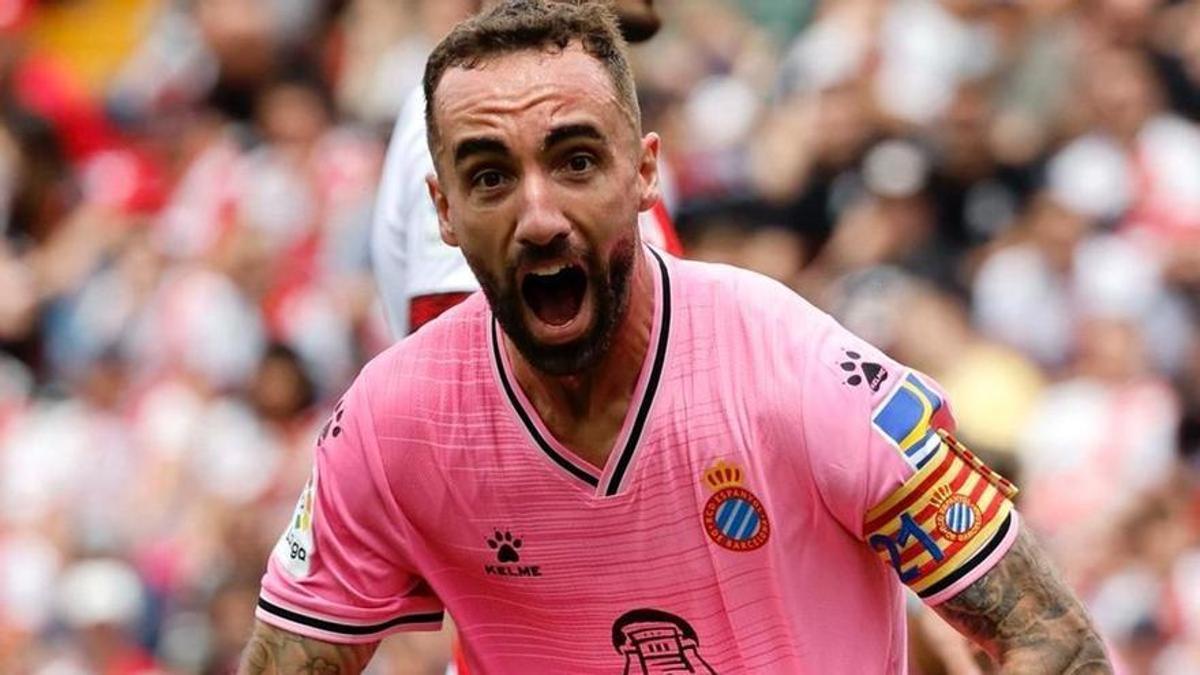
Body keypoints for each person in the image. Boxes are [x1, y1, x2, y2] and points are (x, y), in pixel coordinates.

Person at [241, 1, 1111, 672]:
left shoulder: (801, 369)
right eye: (491, 177)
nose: (538, 216)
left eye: (576, 160)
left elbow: (1059, 644)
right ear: (444, 212)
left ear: (646, 172)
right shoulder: (398, 418)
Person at [371, 0, 680, 338]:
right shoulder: (472, 117)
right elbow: (459, 367)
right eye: (493, 178)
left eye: (577, 163)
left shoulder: (591, 104)